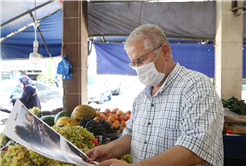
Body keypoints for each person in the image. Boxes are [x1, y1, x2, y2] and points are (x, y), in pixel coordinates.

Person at [86, 24, 224, 166]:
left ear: (165, 52)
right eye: (134, 63)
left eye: (141, 60)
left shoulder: (195, 86)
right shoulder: (141, 99)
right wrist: (107, 151)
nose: (138, 68)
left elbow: (197, 148)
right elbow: (132, 135)